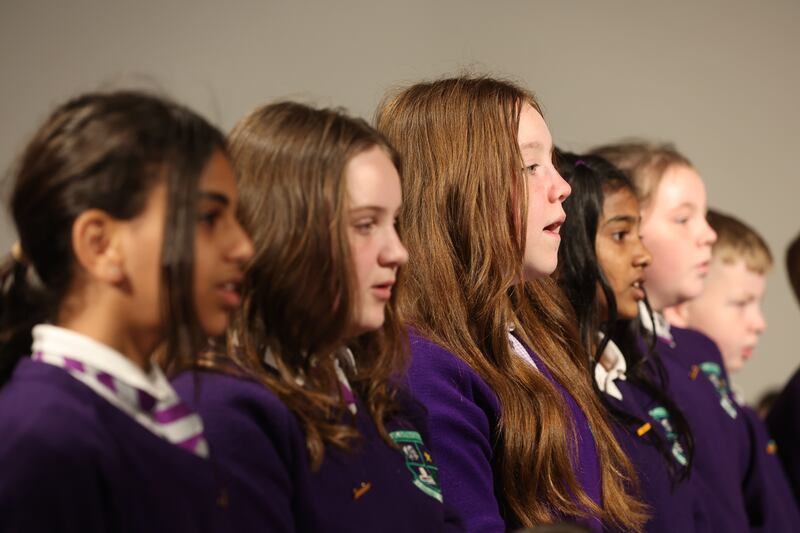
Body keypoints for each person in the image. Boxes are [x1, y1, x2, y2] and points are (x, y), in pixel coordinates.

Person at [173, 102, 464, 532]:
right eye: (365, 224)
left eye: (395, 223)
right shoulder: (222, 414)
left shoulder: (386, 400)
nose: (398, 252)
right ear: (285, 235)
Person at [376, 77, 647, 532]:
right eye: (530, 167)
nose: (562, 187)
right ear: (455, 190)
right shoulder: (425, 367)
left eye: (554, 164)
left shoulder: (534, 334)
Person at [0, 90, 253, 532]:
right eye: (209, 218)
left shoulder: (159, 413)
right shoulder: (41, 438)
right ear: (100, 245)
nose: (243, 247)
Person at [555, 151, 707, 532]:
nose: (643, 256)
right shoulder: (555, 388)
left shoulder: (631, 377)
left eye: (639, 234)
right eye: (620, 235)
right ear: (569, 243)